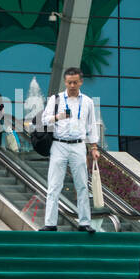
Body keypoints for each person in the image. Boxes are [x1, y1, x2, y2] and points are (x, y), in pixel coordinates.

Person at [38, 67, 99, 232]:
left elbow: (91, 125)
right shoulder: (55, 99)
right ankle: (50, 223)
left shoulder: (87, 101)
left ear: (81, 82)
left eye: (75, 82)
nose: (72, 85)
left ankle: (84, 222)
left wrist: (93, 147)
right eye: (69, 82)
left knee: (82, 185)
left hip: (78, 145)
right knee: (54, 184)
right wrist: (58, 117)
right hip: (59, 144)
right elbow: (43, 120)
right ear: (65, 82)